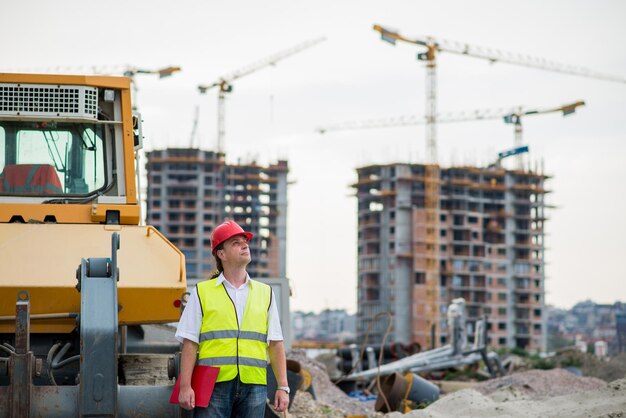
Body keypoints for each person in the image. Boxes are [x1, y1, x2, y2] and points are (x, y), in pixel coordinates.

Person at [175, 220, 290, 417]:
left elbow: (276, 343)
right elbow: (190, 342)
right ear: (222, 254)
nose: (245, 245)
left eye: (245, 241)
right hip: (212, 383)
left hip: (254, 384)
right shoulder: (202, 292)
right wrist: (185, 386)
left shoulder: (265, 293)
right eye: (236, 243)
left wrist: (283, 387)